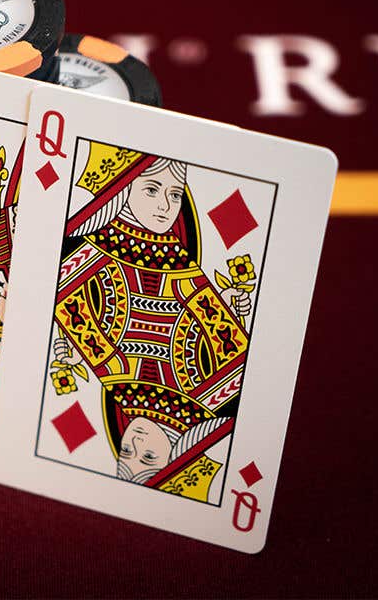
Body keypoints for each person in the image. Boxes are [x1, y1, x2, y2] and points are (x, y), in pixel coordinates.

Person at [50, 144, 251, 502]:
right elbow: (232, 357)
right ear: (126, 189)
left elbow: (231, 349)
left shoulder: (180, 268)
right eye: (152, 189)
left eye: (127, 452)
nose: (164, 205)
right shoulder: (88, 249)